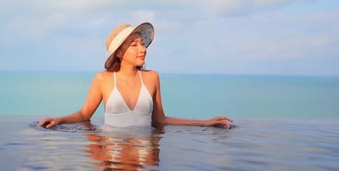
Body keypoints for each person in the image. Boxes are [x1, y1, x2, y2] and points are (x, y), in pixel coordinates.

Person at [39, 22, 233, 129]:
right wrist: (59, 120)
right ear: (120, 53)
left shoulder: (152, 78)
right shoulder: (103, 79)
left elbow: (161, 120)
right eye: (134, 45)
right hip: (112, 155)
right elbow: (84, 115)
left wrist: (206, 123)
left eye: (142, 43)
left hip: (145, 155)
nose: (143, 49)